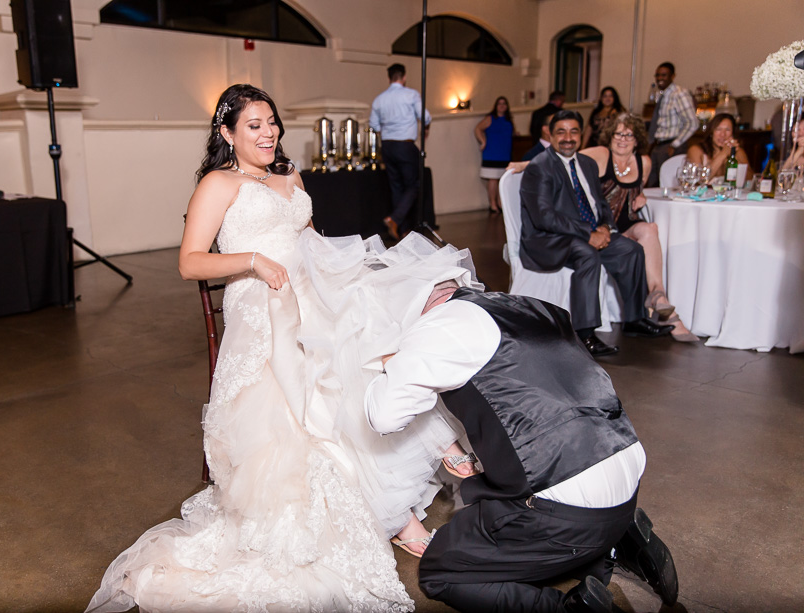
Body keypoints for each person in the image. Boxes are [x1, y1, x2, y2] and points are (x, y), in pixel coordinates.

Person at [85, 84, 471, 612]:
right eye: (254, 125)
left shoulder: (290, 174)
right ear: (227, 133)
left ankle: (404, 483)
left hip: (305, 287)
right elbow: (190, 262)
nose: (268, 133)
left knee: (377, 317)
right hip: (260, 299)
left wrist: (347, 277)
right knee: (318, 374)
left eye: (272, 122)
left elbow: (310, 241)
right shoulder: (218, 184)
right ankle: (394, 512)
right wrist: (252, 260)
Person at [364, 282, 679, 612]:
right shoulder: (533, 307)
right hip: (624, 470)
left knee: (444, 570)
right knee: (564, 536)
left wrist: (393, 362)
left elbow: (383, 417)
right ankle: (617, 543)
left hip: (568, 505)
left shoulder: (439, 324)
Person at [519, 110, 673, 357]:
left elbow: (600, 203)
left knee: (631, 250)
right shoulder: (540, 167)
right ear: (551, 134)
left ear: (581, 135)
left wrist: (605, 228)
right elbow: (544, 217)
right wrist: (587, 234)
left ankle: (635, 319)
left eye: (574, 131)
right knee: (587, 253)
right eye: (561, 131)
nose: (568, 137)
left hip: (584, 233)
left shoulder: (587, 164)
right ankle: (586, 334)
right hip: (548, 239)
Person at [581, 113, 698, 342]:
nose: (623, 139)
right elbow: (563, 158)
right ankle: (664, 309)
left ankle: (658, 294)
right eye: (618, 133)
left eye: (629, 134)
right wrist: (523, 165)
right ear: (610, 136)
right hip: (604, 226)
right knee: (642, 236)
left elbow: (633, 191)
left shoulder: (643, 162)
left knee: (650, 229)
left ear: (637, 140)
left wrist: (641, 195)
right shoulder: (602, 154)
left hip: (627, 224)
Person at [370, 63, 433, 240]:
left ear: (389, 77)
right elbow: (425, 116)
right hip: (405, 145)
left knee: (396, 188)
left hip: (387, 146)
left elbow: (374, 125)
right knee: (413, 185)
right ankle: (395, 219)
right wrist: (426, 126)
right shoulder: (410, 95)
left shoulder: (379, 99)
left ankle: (402, 230)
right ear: (403, 77)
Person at [646, 62, 697, 187]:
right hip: (658, 145)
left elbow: (693, 123)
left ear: (673, 76)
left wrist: (675, 144)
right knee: (652, 184)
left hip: (671, 146)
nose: (660, 78)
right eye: (657, 75)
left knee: (669, 185)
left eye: (664, 75)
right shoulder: (663, 95)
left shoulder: (679, 93)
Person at [474, 96, 515, 214]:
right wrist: (483, 141)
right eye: (499, 104)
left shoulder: (508, 120)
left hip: (505, 154)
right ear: (496, 106)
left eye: (504, 104)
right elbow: (477, 129)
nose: (502, 106)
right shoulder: (490, 119)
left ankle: (500, 202)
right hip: (492, 153)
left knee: (503, 179)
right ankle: (492, 203)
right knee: (493, 179)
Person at [686, 113, 750, 180]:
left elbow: (750, 179)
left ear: (732, 133)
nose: (722, 134)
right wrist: (723, 154)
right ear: (711, 132)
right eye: (718, 129)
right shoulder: (696, 150)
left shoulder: (738, 151)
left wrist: (735, 159)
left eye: (727, 130)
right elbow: (700, 180)